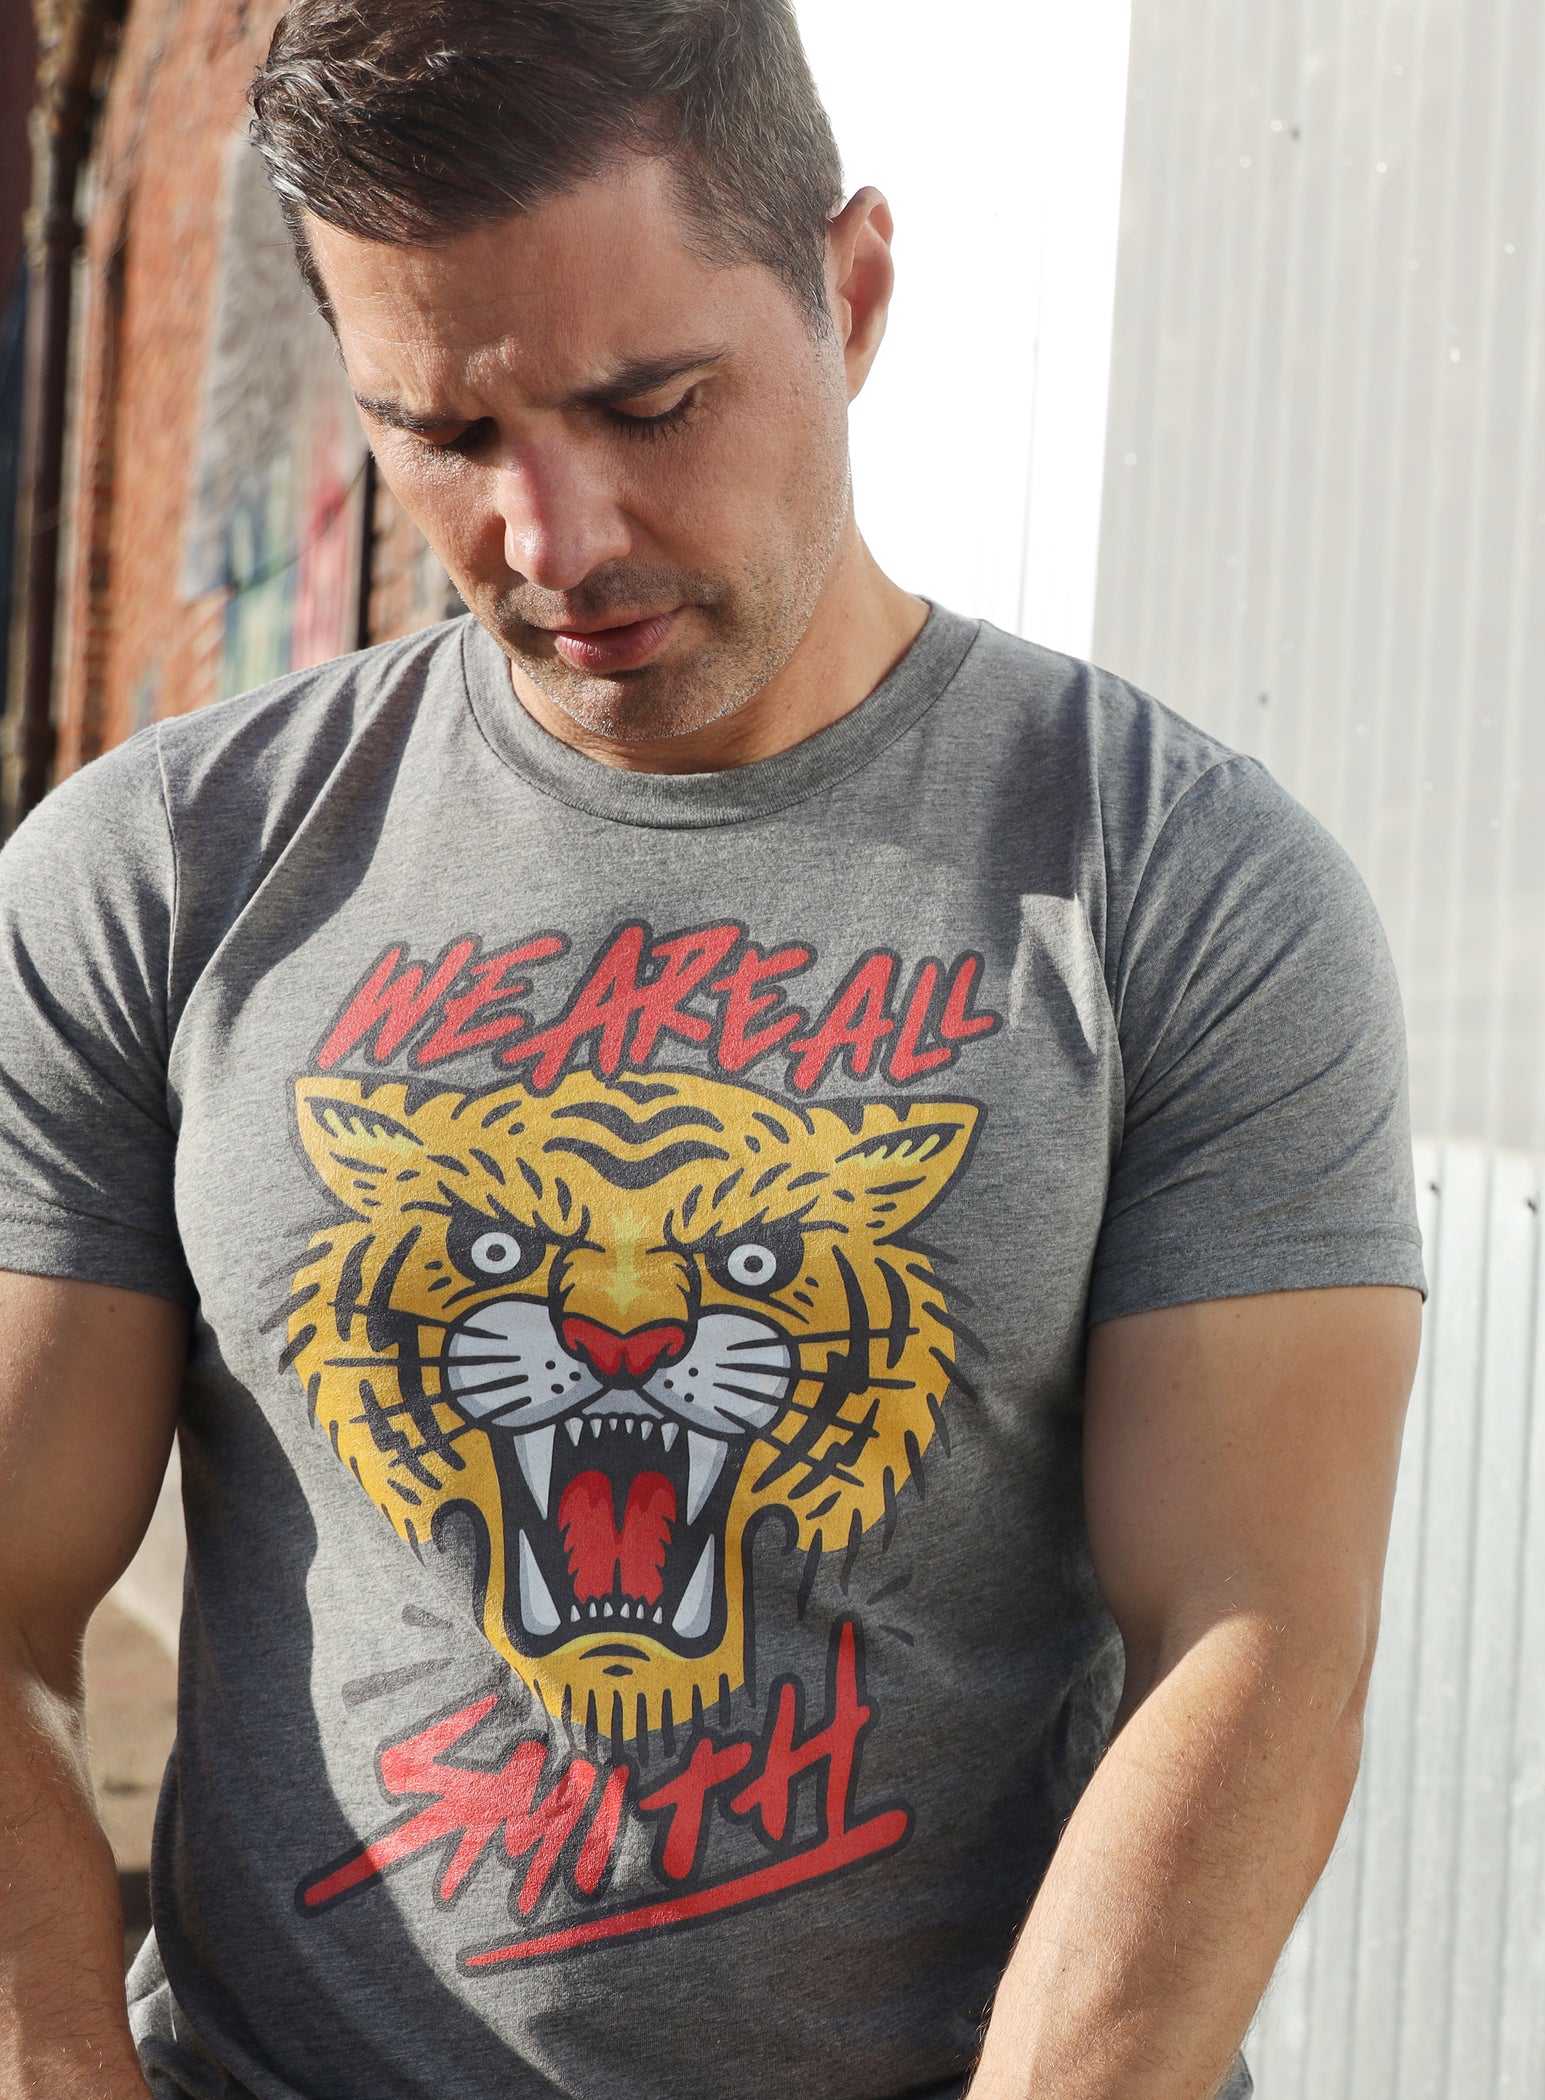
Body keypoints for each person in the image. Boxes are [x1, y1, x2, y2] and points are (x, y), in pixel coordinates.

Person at [0, 3, 1424, 2096]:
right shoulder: (157, 872)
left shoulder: (1177, 884)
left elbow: (1257, 1639)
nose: (552, 540)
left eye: (646, 404)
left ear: (849, 291)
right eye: (443, 437)